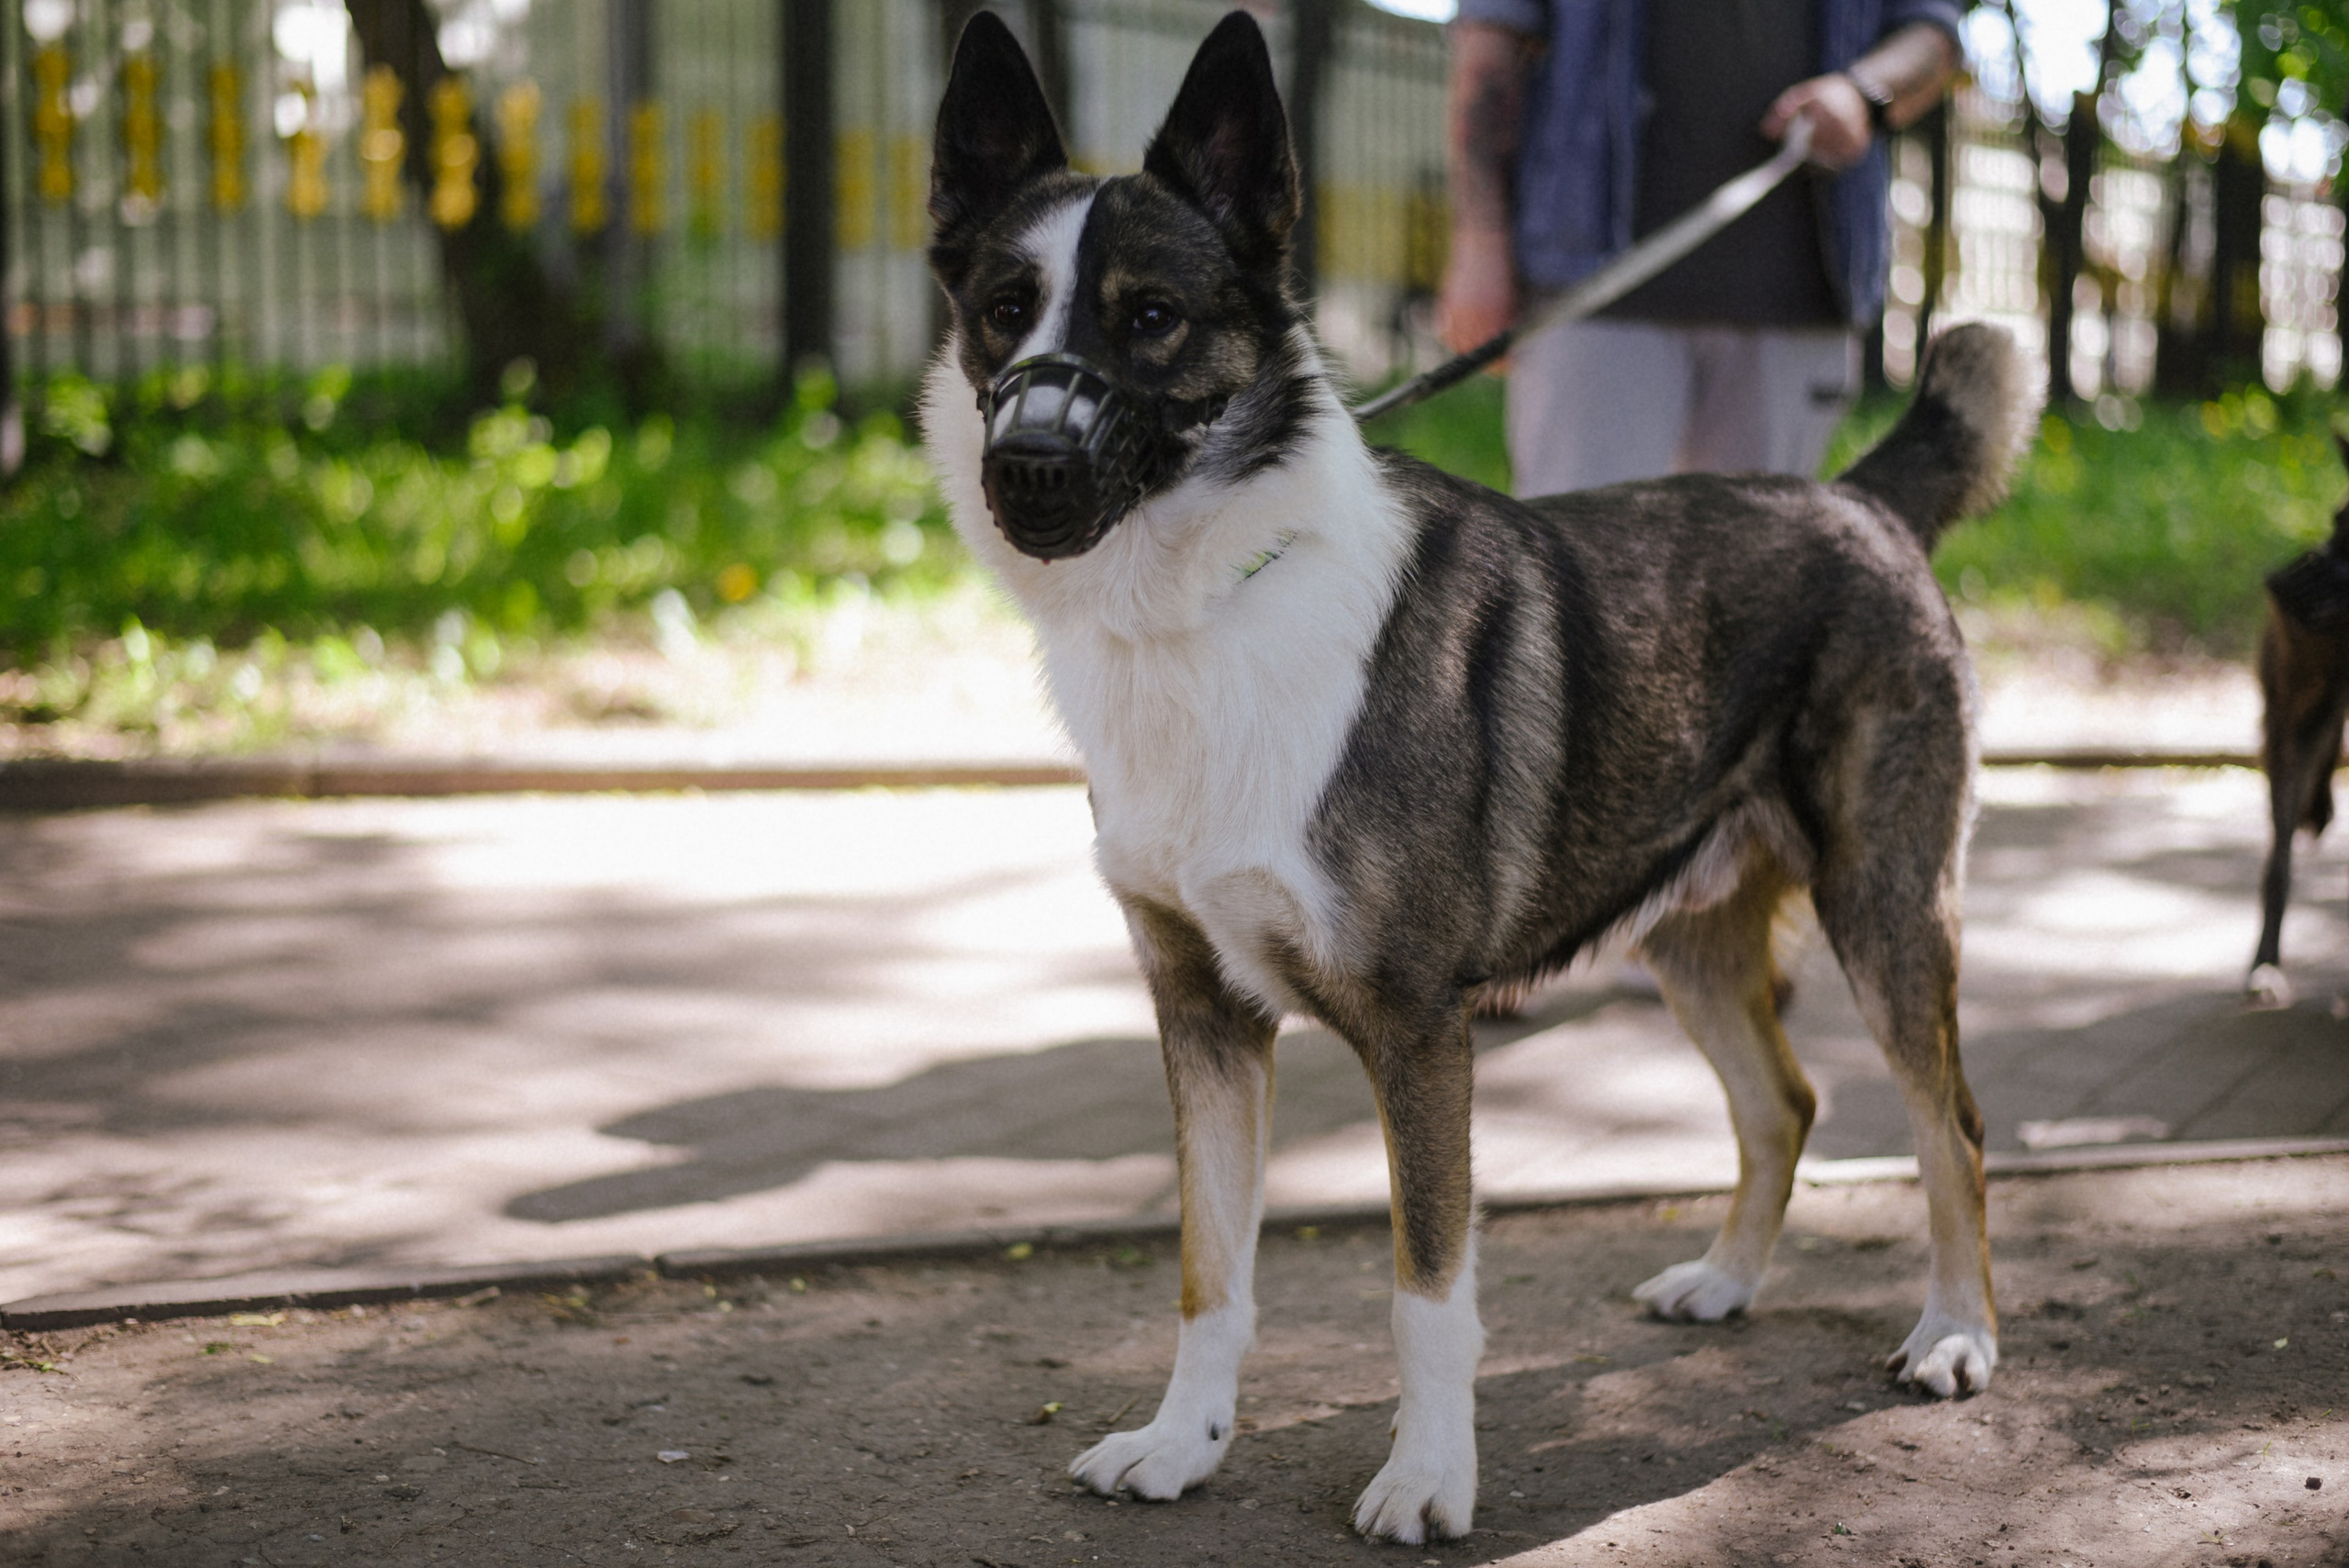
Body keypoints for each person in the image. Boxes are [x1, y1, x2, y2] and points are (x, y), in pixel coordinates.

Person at [1440, 0, 1964, 497]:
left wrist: (1862, 92)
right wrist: (1479, 242)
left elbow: (1932, 33)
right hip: (1591, 292)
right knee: (1581, 580)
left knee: (1756, 581)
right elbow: (1490, 41)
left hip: (1799, 293)